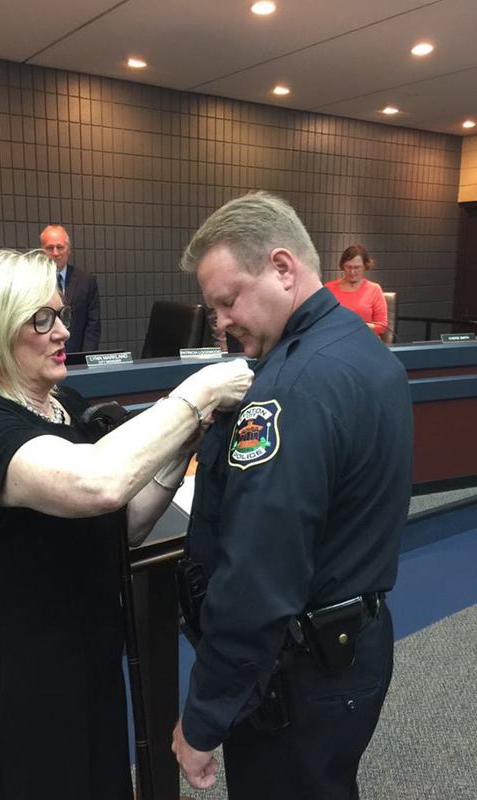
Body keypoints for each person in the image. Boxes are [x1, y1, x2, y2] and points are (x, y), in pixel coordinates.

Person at [0, 248, 253, 800]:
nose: (62, 331)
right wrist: (195, 392)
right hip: (21, 686)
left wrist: (183, 444)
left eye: (58, 314)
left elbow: (122, 520)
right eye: (42, 318)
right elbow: (98, 483)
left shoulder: (66, 402)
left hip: (89, 662)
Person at [171, 192, 413, 799]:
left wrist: (203, 718)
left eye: (227, 301)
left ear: (283, 268)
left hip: (299, 670)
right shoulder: (365, 352)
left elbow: (257, 577)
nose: (220, 322)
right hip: (355, 645)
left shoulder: (290, 389)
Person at [39, 224, 101, 351]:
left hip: (77, 357)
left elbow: (93, 325)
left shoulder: (86, 281)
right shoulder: (32, 281)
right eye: (50, 248)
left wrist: (86, 359)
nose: (55, 253)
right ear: (42, 251)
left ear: (68, 250)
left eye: (60, 247)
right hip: (45, 356)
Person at [324, 244, 388, 337]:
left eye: (357, 268)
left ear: (365, 266)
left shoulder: (374, 289)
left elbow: (382, 326)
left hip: (364, 341)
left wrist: (360, 326)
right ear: (342, 266)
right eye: (348, 267)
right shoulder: (329, 288)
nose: (352, 272)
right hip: (336, 340)